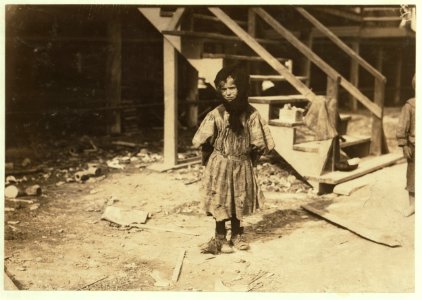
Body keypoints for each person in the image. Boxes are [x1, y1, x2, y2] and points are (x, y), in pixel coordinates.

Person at [192, 64, 274, 254]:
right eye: (224, 89)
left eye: (233, 88)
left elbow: (259, 144)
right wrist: (208, 165)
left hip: (241, 163)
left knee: (239, 198)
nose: (228, 93)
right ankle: (220, 237)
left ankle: (237, 235)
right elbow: (204, 142)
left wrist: (250, 161)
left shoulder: (252, 114)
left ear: (242, 88)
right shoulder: (216, 114)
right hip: (220, 163)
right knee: (219, 199)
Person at [396, 74, 415, 217]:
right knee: (413, 176)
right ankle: (412, 205)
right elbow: (402, 126)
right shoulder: (410, 106)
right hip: (415, 147)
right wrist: (404, 145)